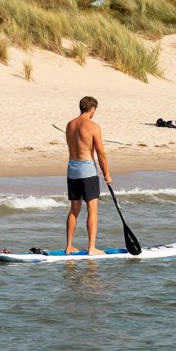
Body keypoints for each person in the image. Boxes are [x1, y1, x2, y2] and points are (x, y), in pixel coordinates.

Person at [64, 96, 110, 255]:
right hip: (87, 170)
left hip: (72, 168)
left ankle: (69, 246)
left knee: (74, 209)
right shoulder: (93, 126)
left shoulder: (70, 125)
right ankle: (92, 248)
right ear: (92, 109)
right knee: (92, 209)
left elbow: (74, 145)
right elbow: (101, 152)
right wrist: (106, 174)